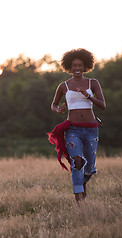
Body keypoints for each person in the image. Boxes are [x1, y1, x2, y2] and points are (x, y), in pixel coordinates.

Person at [48, 48, 106, 203]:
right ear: (69, 67)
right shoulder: (64, 86)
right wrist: (57, 109)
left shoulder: (92, 83)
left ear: (86, 65)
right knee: (76, 163)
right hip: (73, 130)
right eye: (74, 66)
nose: (77, 68)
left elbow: (103, 105)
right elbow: (53, 104)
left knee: (89, 168)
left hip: (91, 129)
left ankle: (84, 181)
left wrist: (89, 96)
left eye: (80, 65)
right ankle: (79, 204)